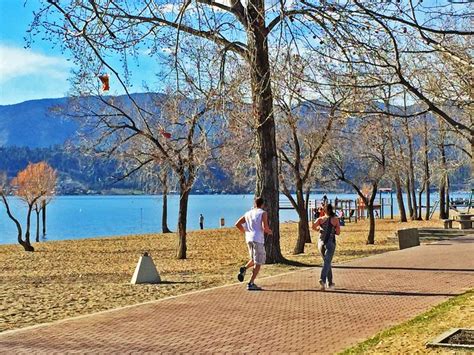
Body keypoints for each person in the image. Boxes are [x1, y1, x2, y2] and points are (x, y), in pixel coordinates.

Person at [235, 197, 272, 291]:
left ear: (254, 203)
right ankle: (251, 283)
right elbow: (265, 227)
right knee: (258, 262)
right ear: (262, 204)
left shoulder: (248, 213)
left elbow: (237, 224)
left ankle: (244, 268)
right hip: (258, 239)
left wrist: (245, 232)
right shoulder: (263, 213)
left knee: (253, 259)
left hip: (249, 239)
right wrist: (269, 231)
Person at [312, 203, 341, 291]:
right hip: (330, 243)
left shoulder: (320, 219)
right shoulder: (335, 220)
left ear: (324, 210)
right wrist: (333, 231)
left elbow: (313, 226)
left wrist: (319, 230)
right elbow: (338, 232)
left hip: (321, 243)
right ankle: (323, 279)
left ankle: (330, 283)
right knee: (327, 262)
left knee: (326, 262)